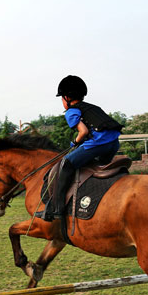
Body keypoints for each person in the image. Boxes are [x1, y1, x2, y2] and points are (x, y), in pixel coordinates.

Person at [41, 75, 123, 221]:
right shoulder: (94, 107)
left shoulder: (71, 111)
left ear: (66, 97)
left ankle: (57, 209)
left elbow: (83, 132)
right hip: (114, 144)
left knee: (65, 165)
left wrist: (74, 142)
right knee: (93, 168)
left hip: (97, 145)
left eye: (61, 98)